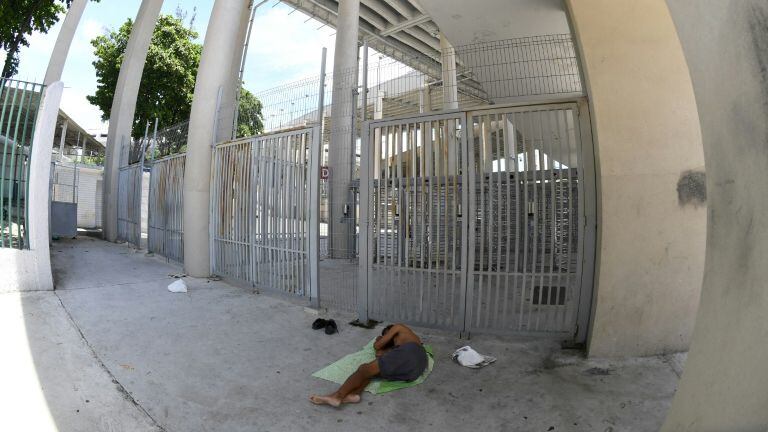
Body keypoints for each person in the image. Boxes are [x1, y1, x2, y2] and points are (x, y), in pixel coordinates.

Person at [309, 323, 428, 407]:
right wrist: (383, 350)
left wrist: (379, 340)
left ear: (388, 332)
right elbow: (380, 357)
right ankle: (354, 394)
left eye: (387, 336)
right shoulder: (403, 344)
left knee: (363, 369)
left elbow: (377, 346)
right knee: (372, 373)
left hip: (410, 353)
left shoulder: (399, 327)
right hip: (416, 369)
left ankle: (337, 396)